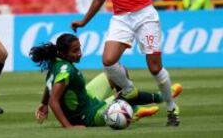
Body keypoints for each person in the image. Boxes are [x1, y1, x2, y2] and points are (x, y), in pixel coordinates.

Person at [71, 0, 180, 126]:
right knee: (108, 61)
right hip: (121, 18)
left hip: (145, 14)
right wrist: (84, 21)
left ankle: (172, 108)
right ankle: (130, 90)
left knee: (155, 68)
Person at [31, 33, 182, 128]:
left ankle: (124, 99)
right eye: (75, 51)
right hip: (86, 116)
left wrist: (43, 103)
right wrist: (68, 126)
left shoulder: (56, 62)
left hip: (86, 99)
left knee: (114, 74)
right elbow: (54, 101)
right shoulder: (66, 70)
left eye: (79, 48)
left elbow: (49, 84)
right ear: (63, 53)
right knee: (121, 109)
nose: (80, 53)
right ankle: (152, 101)